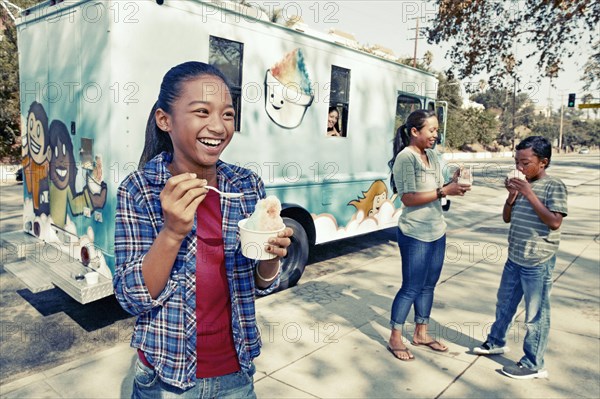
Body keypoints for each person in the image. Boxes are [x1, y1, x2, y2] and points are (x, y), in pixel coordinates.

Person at [113, 61, 293, 398]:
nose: (219, 126)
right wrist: (172, 233)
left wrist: (271, 257)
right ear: (165, 120)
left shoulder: (246, 184)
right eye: (202, 111)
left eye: (227, 114)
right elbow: (131, 298)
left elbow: (258, 283)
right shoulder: (140, 189)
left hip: (236, 373)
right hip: (167, 379)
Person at [473, 136, 567, 380]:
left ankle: (534, 363)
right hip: (515, 257)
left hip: (537, 261)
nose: (520, 168)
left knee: (536, 314)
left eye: (525, 163)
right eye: (517, 162)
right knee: (504, 303)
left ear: (543, 163)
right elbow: (507, 217)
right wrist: (512, 196)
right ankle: (495, 341)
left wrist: (528, 192)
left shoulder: (553, 185)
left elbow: (554, 222)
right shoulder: (521, 184)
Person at [387, 109, 471, 361]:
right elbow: (409, 198)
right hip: (414, 234)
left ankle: (421, 333)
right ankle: (395, 338)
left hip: (437, 231)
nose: (436, 134)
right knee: (411, 287)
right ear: (415, 131)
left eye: (437, 130)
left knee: (428, 286)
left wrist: (456, 178)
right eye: (431, 130)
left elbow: (444, 180)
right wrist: (445, 191)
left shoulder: (433, 155)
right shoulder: (406, 158)